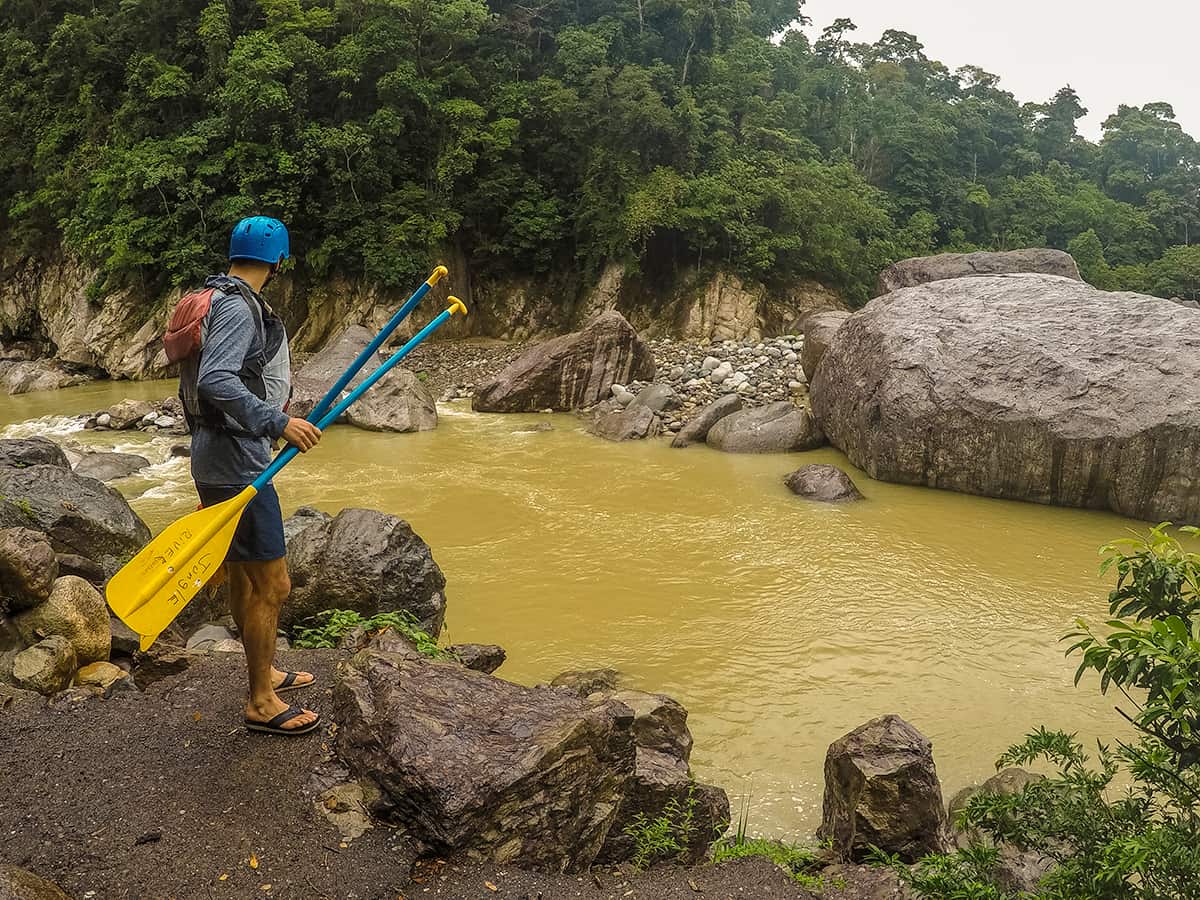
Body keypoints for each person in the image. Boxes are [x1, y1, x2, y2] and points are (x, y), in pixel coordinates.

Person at [183, 216, 323, 736]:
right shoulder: (240, 308)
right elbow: (217, 381)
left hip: (216, 454)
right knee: (274, 584)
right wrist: (278, 422)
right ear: (278, 260)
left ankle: (264, 673)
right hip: (237, 461)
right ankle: (261, 701)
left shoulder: (214, 297)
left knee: (243, 573)